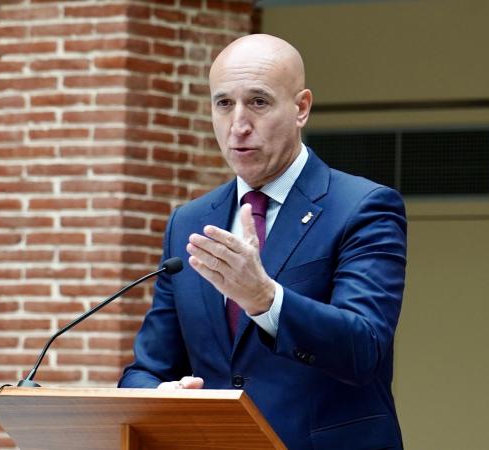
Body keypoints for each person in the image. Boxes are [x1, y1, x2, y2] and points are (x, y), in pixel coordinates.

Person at [118, 34, 406, 450]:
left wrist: (265, 298)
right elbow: (146, 368)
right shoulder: (189, 223)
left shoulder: (363, 207)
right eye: (223, 104)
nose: (238, 125)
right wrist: (159, 397)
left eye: (258, 102)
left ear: (301, 108)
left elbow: (365, 348)